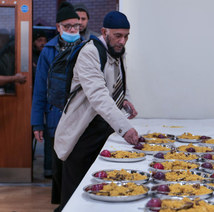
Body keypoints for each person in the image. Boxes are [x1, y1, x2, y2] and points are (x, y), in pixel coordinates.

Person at [54, 11, 139, 210]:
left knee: (97, 191)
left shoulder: (117, 51)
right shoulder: (90, 52)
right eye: (118, 36)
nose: (122, 41)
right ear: (104, 31)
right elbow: (98, 95)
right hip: (82, 133)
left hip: (103, 129)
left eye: (126, 36)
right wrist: (125, 128)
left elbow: (119, 82)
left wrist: (125, 100)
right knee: (75, 197)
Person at [31, 2, 81, 205]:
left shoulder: (86, 47)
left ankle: (77, 205)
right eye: (67, 26)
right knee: (59, 166)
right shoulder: (48, 51)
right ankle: (62, 205)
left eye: (75, 26)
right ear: (58, 27)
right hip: (55, 116)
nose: (72, 30)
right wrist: (37, 123)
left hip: (79, 116)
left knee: (76, 164)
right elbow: (40, 90)